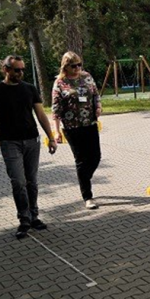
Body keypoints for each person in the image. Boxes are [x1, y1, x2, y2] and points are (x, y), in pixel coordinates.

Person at [0, 55, 57, 239]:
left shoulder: (30, 89)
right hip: (9, 142)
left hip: (32, 140)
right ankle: (24, 219)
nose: (21, 73)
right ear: (6, 69)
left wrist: (51, 137)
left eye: (23, 69)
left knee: (32, 181)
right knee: (18, 181)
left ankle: (34, 216)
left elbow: (40, 115)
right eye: (17, 70)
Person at [51, 52, 102, 210]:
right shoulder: (60, 83)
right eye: (74, 66)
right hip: (72, 127)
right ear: (65, 66)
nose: (78, 68)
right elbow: (55, 109)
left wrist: (98, 106)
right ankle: (87, 196)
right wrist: (57, 131)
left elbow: (95, 94)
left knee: (95, 157)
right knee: (81, 161)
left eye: (79, 64)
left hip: (90, 123)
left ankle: (84, 179)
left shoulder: (86, 76)